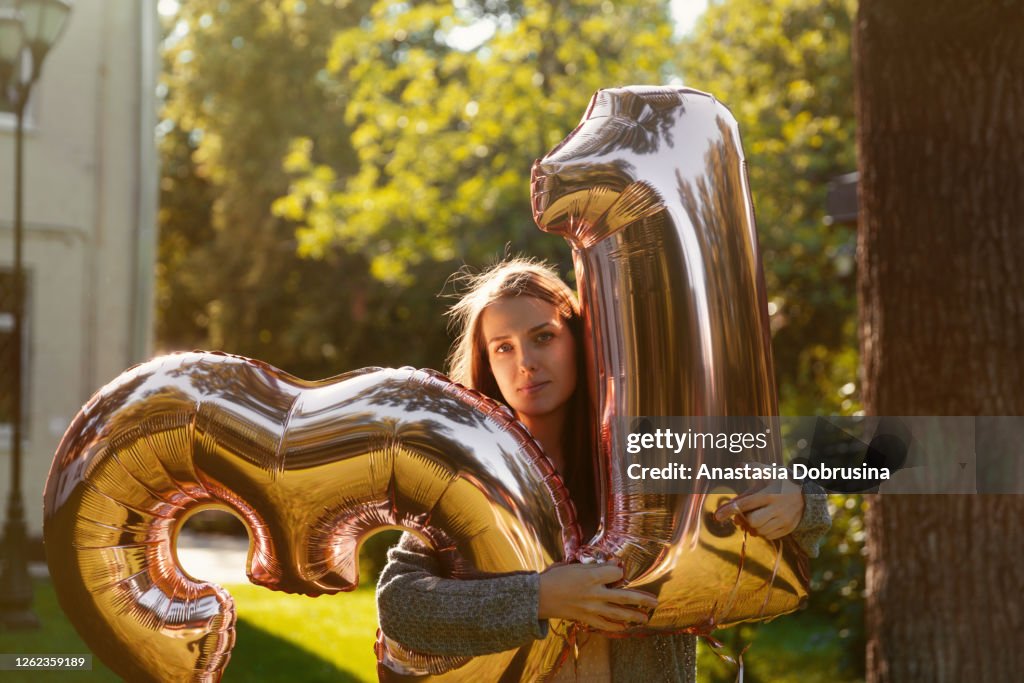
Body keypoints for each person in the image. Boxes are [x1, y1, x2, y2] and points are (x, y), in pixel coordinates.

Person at [376, 258, 831, 682]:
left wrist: (798, 501)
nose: (526, 364)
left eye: (543, 337)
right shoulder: (469, 476)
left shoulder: (645, 449)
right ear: (487, 364)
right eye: (503, 348)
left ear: (578, 340)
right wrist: (541, 597)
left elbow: (769, 494)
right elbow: (400, 607)